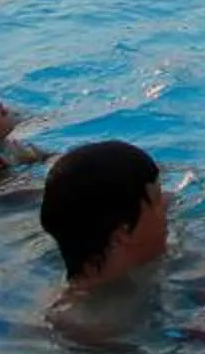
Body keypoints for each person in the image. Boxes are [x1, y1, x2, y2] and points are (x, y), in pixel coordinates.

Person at [39, 140, 172, 337]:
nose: (168, 202)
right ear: (121, 235)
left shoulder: (150, 261)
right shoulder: (93, 328)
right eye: (158, 199)